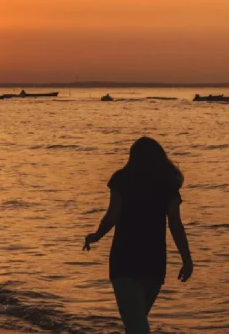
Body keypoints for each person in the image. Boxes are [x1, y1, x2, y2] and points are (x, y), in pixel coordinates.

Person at [83, 137, 194, 334]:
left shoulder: (122, 179)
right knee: (137, 323)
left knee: (135, 325)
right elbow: (176, 225)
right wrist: (187, 259)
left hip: (124, 259)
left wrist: (97, 235)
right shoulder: (167, 184)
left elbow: (112, 216)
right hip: (154, 262)